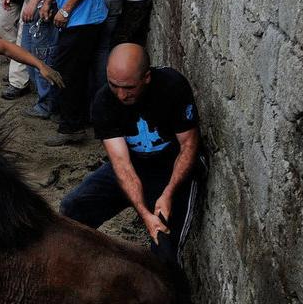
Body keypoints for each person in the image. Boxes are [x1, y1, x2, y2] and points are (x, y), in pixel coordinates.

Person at [60, 43, 202, 266]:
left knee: (164, 250)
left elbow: (189, 146)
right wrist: (144, 214)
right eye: (114, 85)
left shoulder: (172, 87)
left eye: (128, 88)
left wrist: (168, 193)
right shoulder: (104, 102)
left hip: (172, 169)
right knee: (73, 208)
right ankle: (81, 269)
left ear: (146, 78)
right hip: (134, 164)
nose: (120, 94)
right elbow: (121, 164)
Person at [40, 0, 108, 147]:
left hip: (82, 21)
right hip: (76, 19)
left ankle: (72, 127)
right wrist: (50, 0)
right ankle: (74, 118)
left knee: (67, 73)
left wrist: (66, 9)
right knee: (73, 72)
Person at [2, 0, 59, 119]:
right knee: (26, 53)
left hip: (41, 5)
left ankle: (47, 104)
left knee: (42, 55)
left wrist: (35, 1)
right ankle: (43, 99)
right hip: (30, 2)